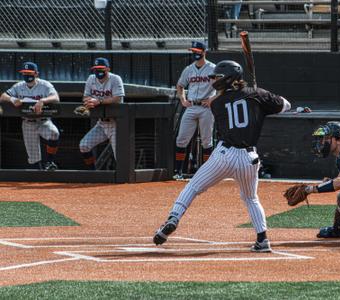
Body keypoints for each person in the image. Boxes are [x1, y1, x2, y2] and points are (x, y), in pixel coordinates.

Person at [153, 60, 292, 252]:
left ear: (228, 79)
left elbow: (232, 101)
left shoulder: (217, 103)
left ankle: (173, 218)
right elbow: (286, 105)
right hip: (249, 158)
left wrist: (257, 98)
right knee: (251, 198)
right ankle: (262, 240)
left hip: (225, 155)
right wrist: (263, 97)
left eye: (217, 77)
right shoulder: (256, 95)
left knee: (193, 186)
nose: (214, 80)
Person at [0, 62, 60, 170]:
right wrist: (12, 99)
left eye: (30, 73)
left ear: (36, 73)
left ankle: (50, 162)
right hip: (28, 123)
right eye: (25, 73)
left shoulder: (44, 84)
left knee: (54, 133)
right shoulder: (19, 86)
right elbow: (3, 96)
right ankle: (40, 178)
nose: (27, 75)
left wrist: (42, 100)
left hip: (43, 121)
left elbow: (56, 97)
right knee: (34, 158)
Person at [173, 41, 216, 179]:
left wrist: (212, 99)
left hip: (206, 108)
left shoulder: (212, 68)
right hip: (191, 106)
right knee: (181, 139)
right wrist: (183, 100)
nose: (195, 53)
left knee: (206, 141)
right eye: (194, 51)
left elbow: (221, 88)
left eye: (198, 51)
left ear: (204, 52)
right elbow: (180, 85)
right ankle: (178, 171)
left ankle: (207, 173)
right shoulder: (189, 69)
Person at [79, 57, 125, 170]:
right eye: (96, 69)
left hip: (116, 124)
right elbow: (85, 96)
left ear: (108, 69)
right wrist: (89, 101)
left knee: (119, 156)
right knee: (84, 145)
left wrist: (98, 101)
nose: (98, 71)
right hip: (102, 124)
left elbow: (118, 98)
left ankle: (125, 182)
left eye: (101, 68)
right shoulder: (91, 79)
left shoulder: (115, 79)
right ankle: (93, 172)